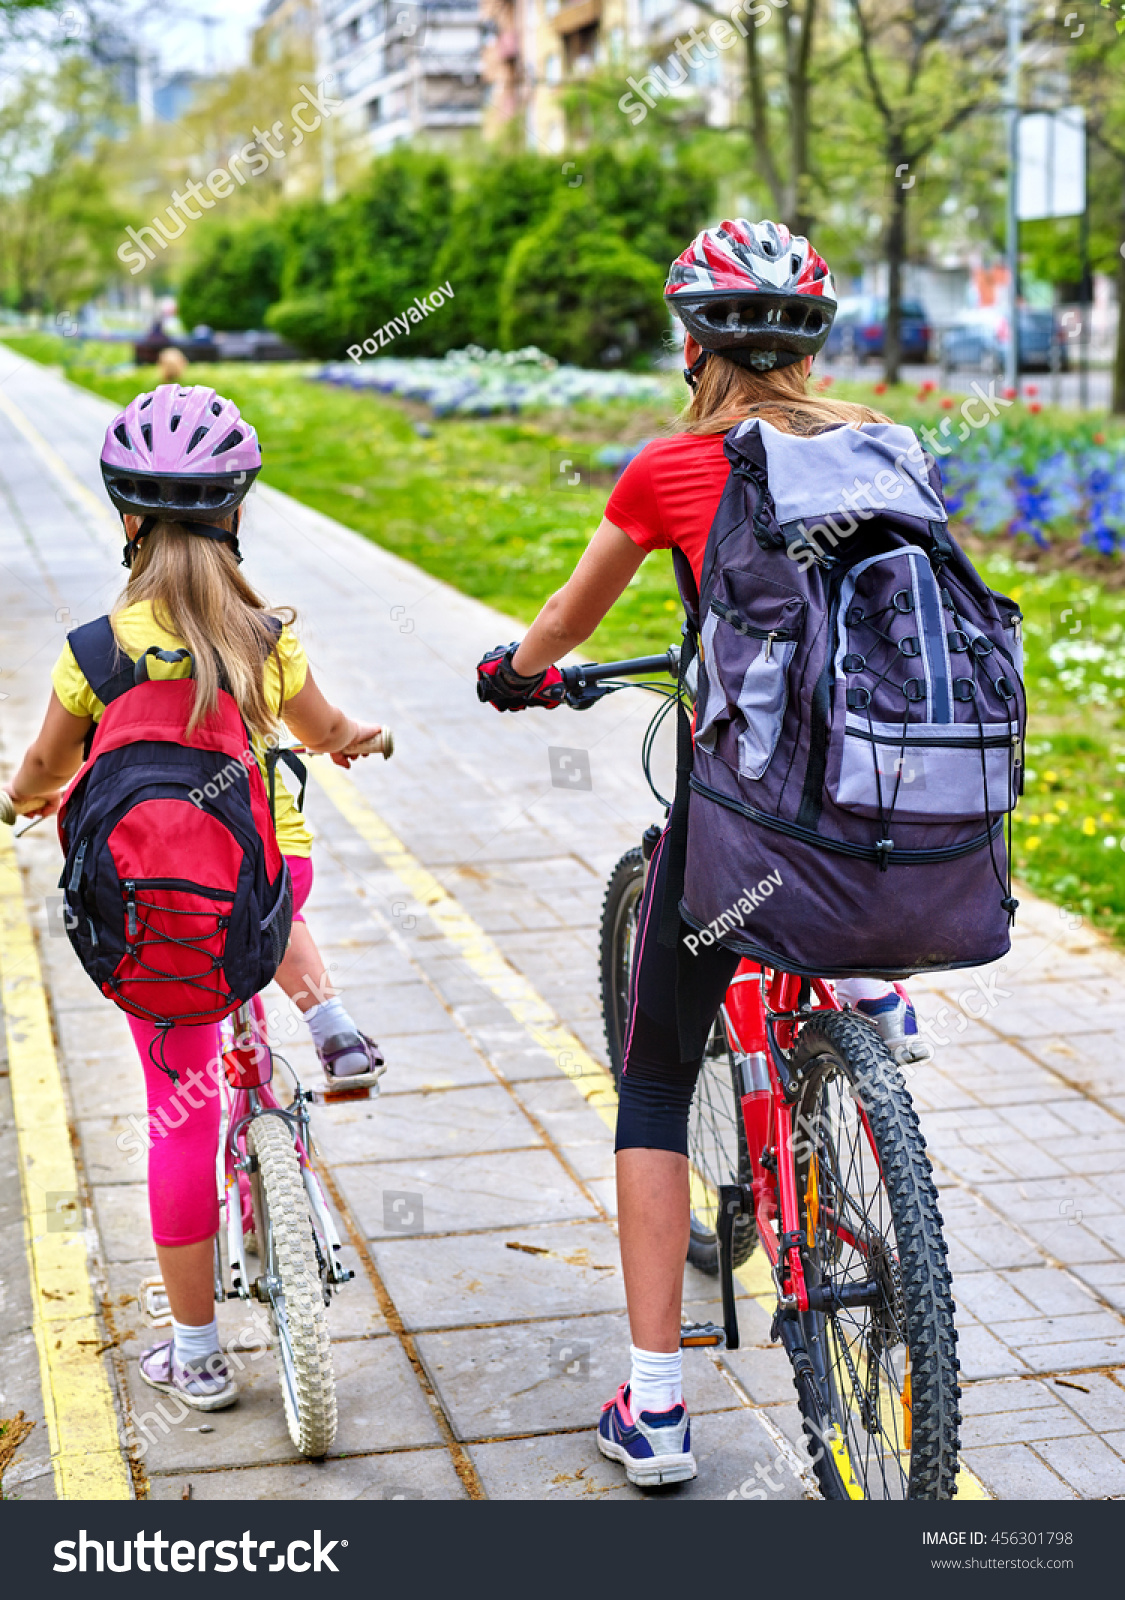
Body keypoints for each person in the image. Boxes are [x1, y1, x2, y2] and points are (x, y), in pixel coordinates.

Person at [477, 220, 930, 1487]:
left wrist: (514, 677)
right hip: (894, 815)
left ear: (693, 345)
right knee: (824, 895)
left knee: (657, 1076)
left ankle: (660, 1406)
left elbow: (570, 617)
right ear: (812, 347)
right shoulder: (889, 452)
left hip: (748, 829)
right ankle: (862, 984)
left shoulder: (674, 468)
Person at [1, 384, 385, 1410]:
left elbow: (43, 765)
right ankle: (327, 1013)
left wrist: (24, 799)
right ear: (238, 515)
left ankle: (199, 1352)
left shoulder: (93, 652)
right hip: (259, 884)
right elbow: (324, 726)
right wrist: (356, 740)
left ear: (127, 518)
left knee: (182, 1113)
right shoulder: (266, 640)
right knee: (274, 892)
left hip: (153, 916)